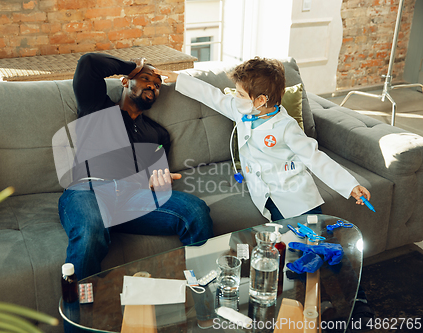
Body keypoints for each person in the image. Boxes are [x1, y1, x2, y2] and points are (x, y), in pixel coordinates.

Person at [155, 57, 374, 331]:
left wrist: (349, 184)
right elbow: (211, 96)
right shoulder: (241, 110)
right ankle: (306, 307)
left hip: (296, 199)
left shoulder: (286, 127)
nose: (233, 96)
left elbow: (315, 158)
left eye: (239, 93)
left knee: (325, 249)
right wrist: (177, 78)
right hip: (268, 200)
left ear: (260, 100)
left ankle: (358, 302)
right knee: (296, 255)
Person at [58, 53, 214, 282]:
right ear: (125, 80)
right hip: (87, 192)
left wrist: (158, 184)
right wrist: (133, 67)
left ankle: (202, 290)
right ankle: (82, 313)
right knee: (91, 230)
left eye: (158, 85)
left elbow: (153, 181)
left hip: (131, 198)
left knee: (195, 210)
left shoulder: (158, 134)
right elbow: (88, 63)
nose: (153, 85)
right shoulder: (96, 107)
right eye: (146, 78)